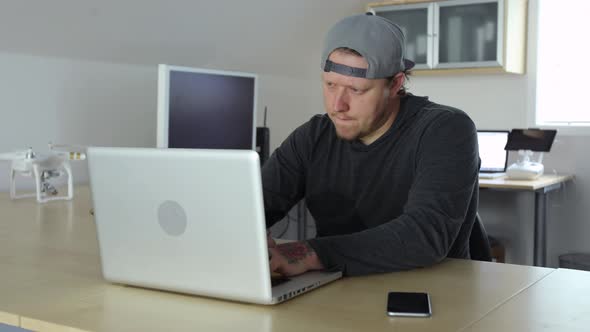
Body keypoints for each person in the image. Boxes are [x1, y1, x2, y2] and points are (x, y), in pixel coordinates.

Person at [264, 14, 479, 277]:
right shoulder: (312, 136)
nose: (337, 106)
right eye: (330, 85)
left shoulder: (445, 129)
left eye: (357, 90)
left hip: (430, 290)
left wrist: (311, 253)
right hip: (337, 289)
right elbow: (256, 205)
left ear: (396, 84)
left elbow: (424, 236)